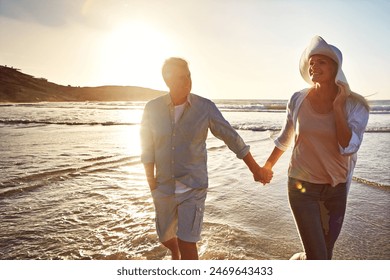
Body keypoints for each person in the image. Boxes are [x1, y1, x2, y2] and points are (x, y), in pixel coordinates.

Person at [140, 57, 272, 260]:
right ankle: (174, 252)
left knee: (187, 242)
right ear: (167, 80)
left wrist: (255, 169)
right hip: (163, 186)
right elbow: (147, 147)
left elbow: (231, 137)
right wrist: (151, 181)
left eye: (188, 76)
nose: (186, 82)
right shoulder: (152, 108)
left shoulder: (205, 107)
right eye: (180, 78)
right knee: (166, 237)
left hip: (193, 186)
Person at [261, 36, 370, 260]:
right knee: (318, 256)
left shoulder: (355, 107)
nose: (314, 66)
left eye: (321, 62)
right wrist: (267, 166)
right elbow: (285, 138)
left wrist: (338, 107)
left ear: (335, 69)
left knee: (324, 254)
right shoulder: (298, 99)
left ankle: (298, 262)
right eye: (312, 62)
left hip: (336, 189)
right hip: (302, 187)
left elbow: (348, 147)